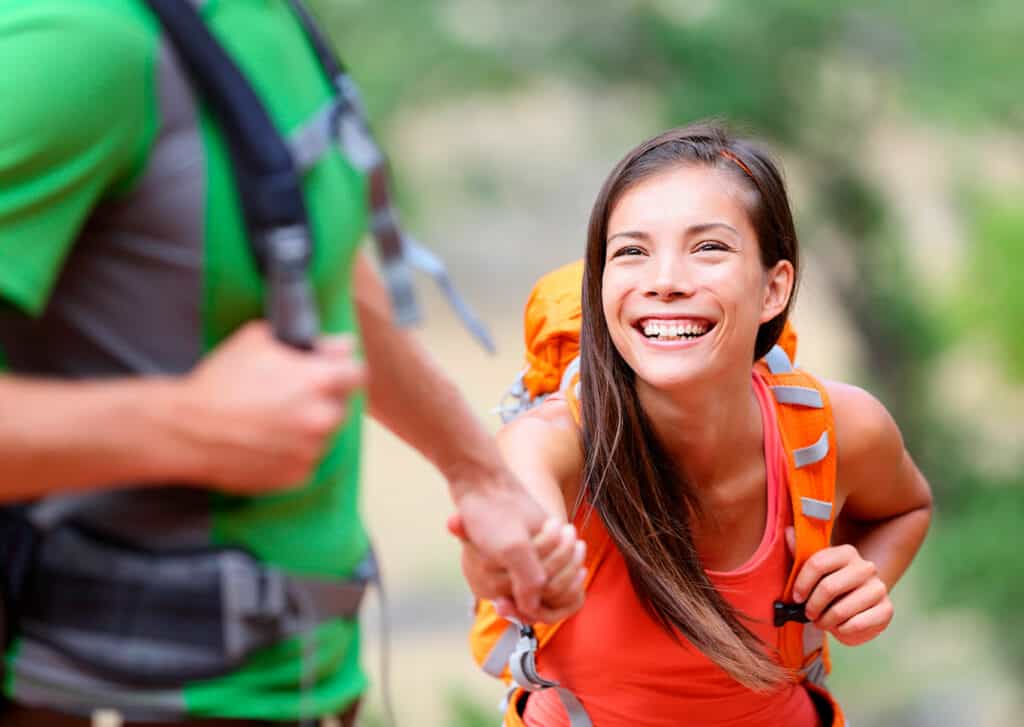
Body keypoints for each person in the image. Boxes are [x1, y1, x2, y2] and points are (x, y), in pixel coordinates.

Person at [0, 1, 583, 725]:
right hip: (107, 692)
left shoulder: (257, 17)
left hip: (295, 680)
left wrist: (478, 475)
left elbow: (316, 262)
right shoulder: (72, 44)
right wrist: (183, 426)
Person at [455, 123, 933, 726]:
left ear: (773, 288)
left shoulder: (835, 431)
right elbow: (514, 518)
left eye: (708, 248)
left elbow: (904, 508)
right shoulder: (550, 444)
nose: (665, 281)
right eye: (631, 252)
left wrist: (860, 586)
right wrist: (518, 559)